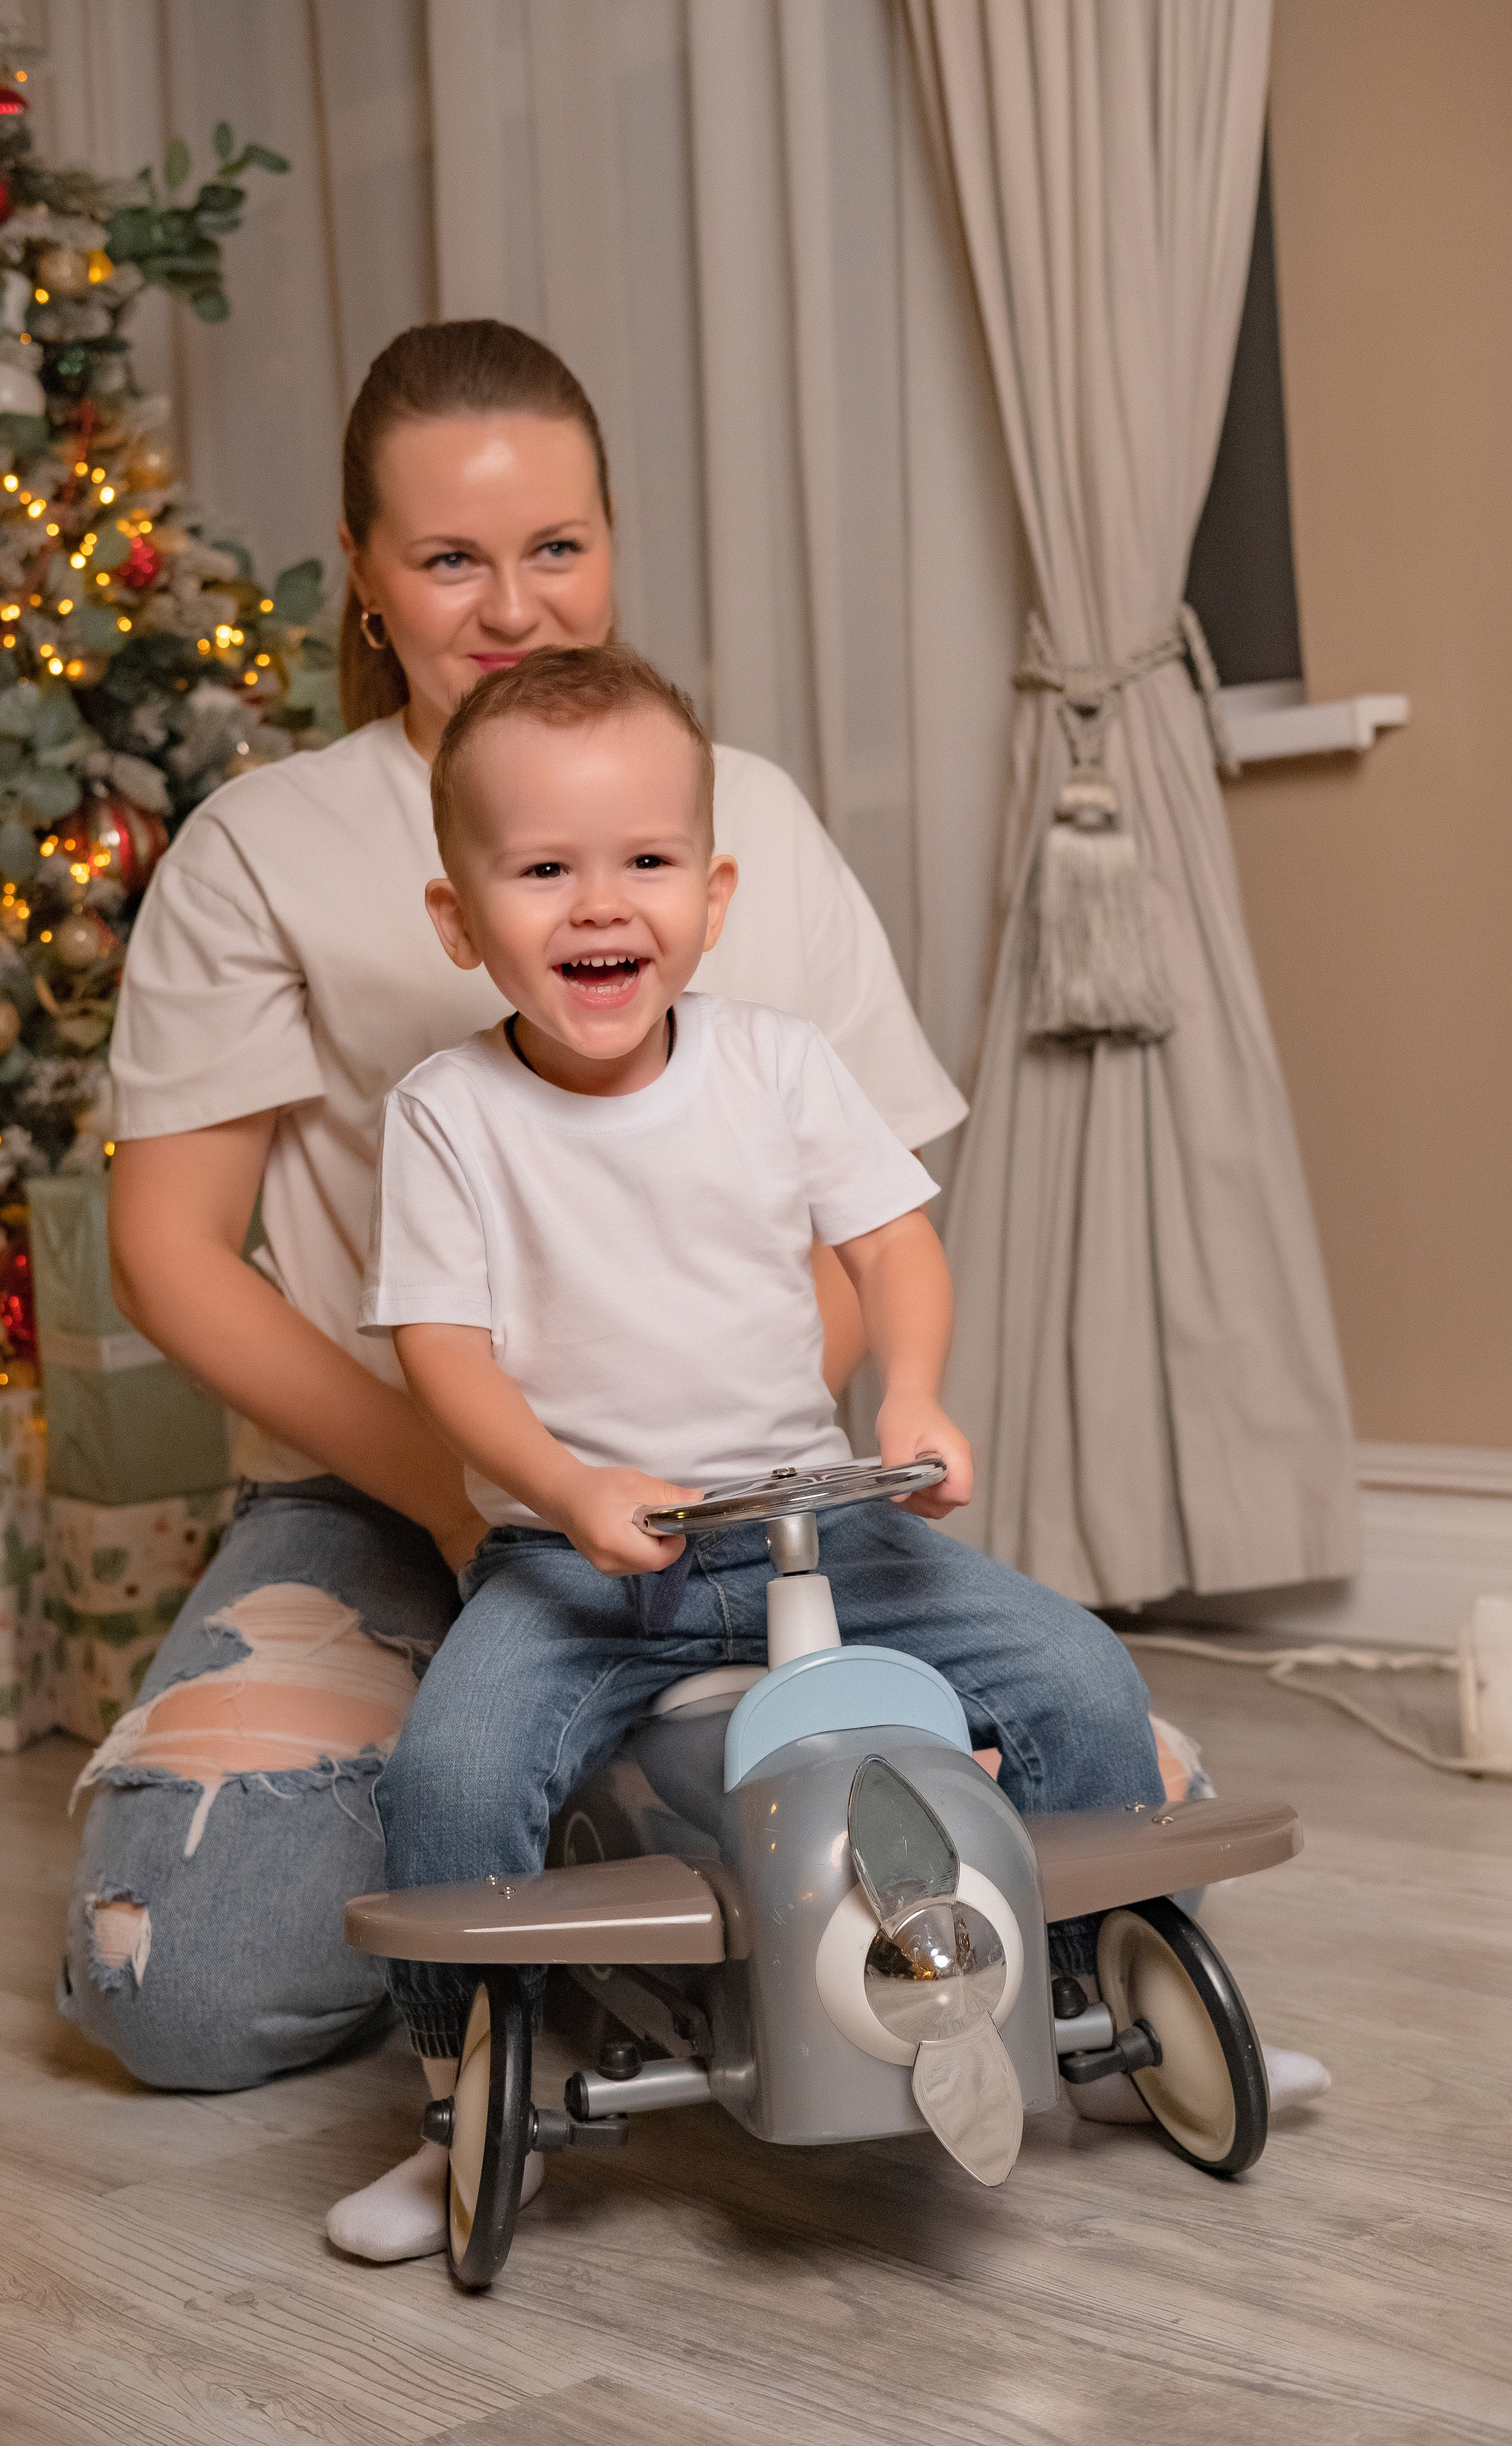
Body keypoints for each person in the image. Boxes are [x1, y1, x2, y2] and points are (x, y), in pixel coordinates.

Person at [58, 322, 968, 2097]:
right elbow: (172, 1255)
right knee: (178, 1986)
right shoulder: (263, 845)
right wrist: (485, 1500)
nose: (512, 604)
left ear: (613, 543)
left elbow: (861, 1222)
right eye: (450, 559)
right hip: (384, 1493)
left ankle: (609, 1810)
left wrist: (706, 1486)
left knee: (1052, 1806)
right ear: (368, 582)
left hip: (719, 1504)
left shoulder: (747, 817)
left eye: (557, 547)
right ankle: (544, 1831)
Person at [332, 640, 1164, 2266]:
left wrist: (911, 1396)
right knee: (447, 1773)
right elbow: (443, 1352)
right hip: (580, 1560)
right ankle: (456, 2103)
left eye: (643, 864)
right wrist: (568, 1488)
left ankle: (1105, 2007)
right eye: (542, 869)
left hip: (817, 1524)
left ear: (710, 896)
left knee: (1075, 1679)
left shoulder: (775, 1062)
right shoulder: (448, 1111)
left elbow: (894, 1247)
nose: (598, 906)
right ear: (456, 918)